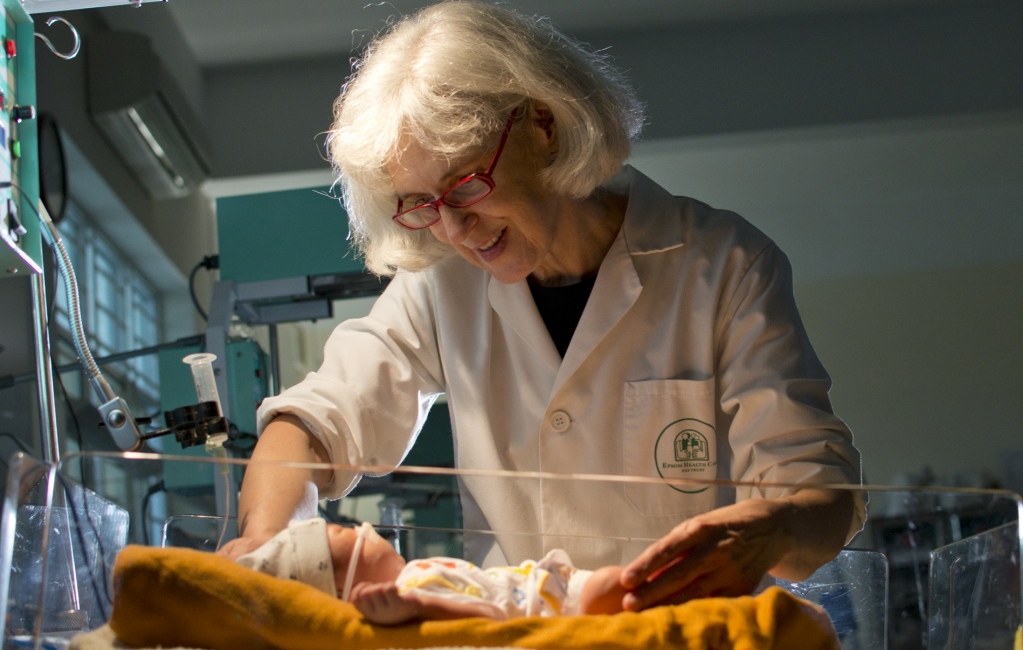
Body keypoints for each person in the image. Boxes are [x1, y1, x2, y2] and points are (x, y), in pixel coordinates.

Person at [220, 0, 864, 612]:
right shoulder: (444, 286)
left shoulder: (722, 265)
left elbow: (816, 497)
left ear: (543, 126)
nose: (452, 230)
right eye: (422, 205)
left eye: (466, 184)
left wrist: (768, 531)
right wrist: (265, 546)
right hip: (517, 635)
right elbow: (314, 423)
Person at [236, 519, 628, 624]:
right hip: (554, 606)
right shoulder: (415, 590)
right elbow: (488, 619)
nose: (361, 528)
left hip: (549, 587)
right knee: (618, 584)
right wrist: (423, 606)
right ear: (351, 586)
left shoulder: (416, 574)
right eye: (341, 533)